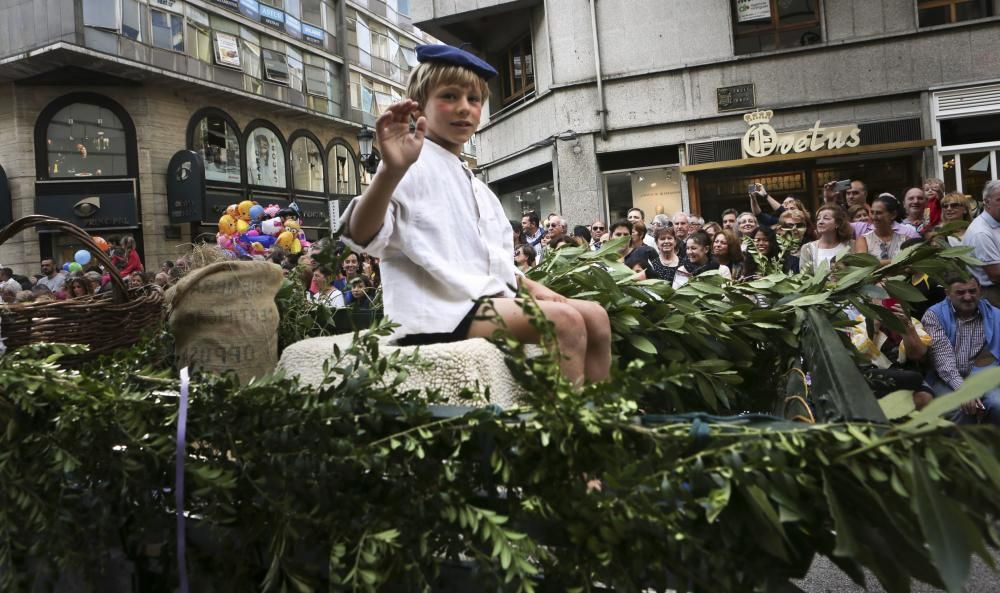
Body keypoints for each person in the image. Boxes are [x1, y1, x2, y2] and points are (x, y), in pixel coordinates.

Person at [338, 44, 611, 385]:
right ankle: (569, 430)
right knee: (565, 322)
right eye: (449, 96)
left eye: (474, 99)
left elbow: (484, 261)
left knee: (596, 316)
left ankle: (601, 416)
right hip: (435, 315)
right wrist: (389, 171)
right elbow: (363, 235)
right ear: (419, 104)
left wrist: (529, 285)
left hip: (479, 304)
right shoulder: (410, 163)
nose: (464, 108)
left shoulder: (475, 184)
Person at [921, 274, 1000, 425]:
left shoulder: (995, 315)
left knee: (997, 404)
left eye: (972, 291)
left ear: (980, 290)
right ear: (947, 293)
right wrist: (964, 391)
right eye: (960, 292)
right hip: (945, 378)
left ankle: (991, 445)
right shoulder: (934, 316)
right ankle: (960, 447)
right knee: (959, 407)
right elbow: (944, 364)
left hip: (983, 378)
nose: (968, 297)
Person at [962, 180, 1000, 307]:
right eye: (999, 200)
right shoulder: (981, 232)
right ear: (987, 202)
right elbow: (996, 274)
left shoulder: (995, 223)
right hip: (992, 296)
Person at [855, 194, 908, 265]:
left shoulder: (905, 239)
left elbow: (910, 263)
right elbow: (862, 263)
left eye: (879, 213)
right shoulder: (863, 240)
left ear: (893, 215)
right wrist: (898, 261)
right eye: (872, 212)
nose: (874, 217)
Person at [799, 205, 852, 274]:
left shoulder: (849, 245)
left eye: (826, 218)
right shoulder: (807, 248)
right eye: (818, 219)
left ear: (838, 223)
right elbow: (804, 277)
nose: (820, 222)